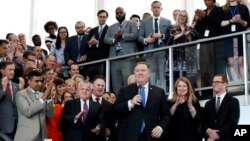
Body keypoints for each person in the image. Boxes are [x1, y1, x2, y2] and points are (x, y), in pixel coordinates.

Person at [113, 61, 170, 141]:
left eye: (143, 70)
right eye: (137, 71)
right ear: (134, 73)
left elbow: (166, 115)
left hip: (151, 136)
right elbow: (115, 109)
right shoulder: (124, 90)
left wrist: (160, 128)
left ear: (149, 74)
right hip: (129, 136)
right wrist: (130, 103)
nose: (140, 73)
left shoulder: (159, 92)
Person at [138, 1, 172, 92]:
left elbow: (170, 36)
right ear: (151, 9)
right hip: (149, 51)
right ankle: (152, 96)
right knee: (151, 76)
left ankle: (163, 95)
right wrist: (146, 40)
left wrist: (161, 36)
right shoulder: (144, 22)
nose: (156, 9)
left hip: (162, 51)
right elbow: (139, 36)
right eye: (154, 7)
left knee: (162, 75)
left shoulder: (167, 21)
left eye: (158, 7)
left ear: (161, 9)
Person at [104, 7, 138, 93]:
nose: (119, 15)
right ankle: (118, 101)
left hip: (128, 57)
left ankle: (129, 100)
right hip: (114, 58)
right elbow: (105, 39)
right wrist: (114, 40)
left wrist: (122, 36)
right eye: (117, 13)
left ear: (125, 13)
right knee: (116, 83)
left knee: (128, 81)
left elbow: (135, 35)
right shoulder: (111, 27)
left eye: (121, 13)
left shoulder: (132, 23)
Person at [14, 70, 54, 141]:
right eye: (36, 81)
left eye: (41, 81)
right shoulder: (21, 94)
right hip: (27, 137)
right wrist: (44, 97)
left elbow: (50, 114)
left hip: (43, 137)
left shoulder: (42, 95)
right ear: (29, 81)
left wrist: (48, 98)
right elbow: (28, 112)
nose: (39, 83)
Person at [203, 74, 240, 141]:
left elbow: (233, 122)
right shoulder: (208, 104)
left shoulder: (233, 101)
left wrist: (217, 135)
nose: (214, 84)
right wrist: (208, 131)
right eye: (213, 82)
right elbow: (204, 122)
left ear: (224, 84)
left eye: (217, 82)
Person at [166, 77, 202, 141]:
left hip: (192, 138)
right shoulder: (170, 103)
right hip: (174, 138)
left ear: (188, 88)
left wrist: (190, 106)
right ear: (176, 88)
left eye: (184, 86)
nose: (182, 88)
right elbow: (167, 119)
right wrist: (176, 104)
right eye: (179, 86)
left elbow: (198, 121)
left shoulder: (194, 102)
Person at [221, 0, 250, 80]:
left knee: (241, 62)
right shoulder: (223, 8)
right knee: (231, 63)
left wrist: (240, 21)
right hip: (228, 38)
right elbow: (220, 23)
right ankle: (236, 84)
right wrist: (231, 21)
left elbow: (247, 24)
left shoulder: (243, 7)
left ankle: (245, 84)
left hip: (240, 36)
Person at [87, 9, 110, 81]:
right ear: (97, 17)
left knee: (102, 79)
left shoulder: (109, 29)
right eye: (100, 16)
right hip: (93, 60)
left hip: (104, 59)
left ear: (106, 18)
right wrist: (90, 43)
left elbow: (109, 43)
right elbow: (88, 46)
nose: (102, 18)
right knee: (93, 80)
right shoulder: (92, 30)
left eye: (104, 17)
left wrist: (97, 42)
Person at [91, 75, 115, 141]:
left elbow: (112, 125)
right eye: (98, 85)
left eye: (102, 86)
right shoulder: (85, 101)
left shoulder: (109, 105)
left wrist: (107, 129)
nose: (100, 87)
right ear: (92, 86)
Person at [0, 61, 19, 140]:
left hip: (17, 127)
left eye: (13, 70)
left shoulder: (16, 86)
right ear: (2, 71)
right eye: (10, 69)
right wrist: (3, 90)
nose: (12, 72)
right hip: (2, 128)